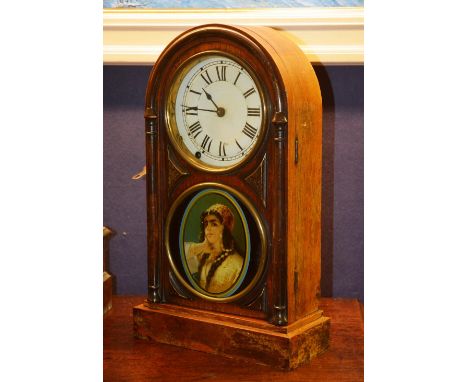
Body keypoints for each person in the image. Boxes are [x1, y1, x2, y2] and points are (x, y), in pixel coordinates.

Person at [184, 203, 244, 294]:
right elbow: (180, 261)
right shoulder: (203, 257)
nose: (208, 228)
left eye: (214, 224)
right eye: (206, 224)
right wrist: (202, 246)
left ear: (224, 229)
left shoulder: (237, 265)